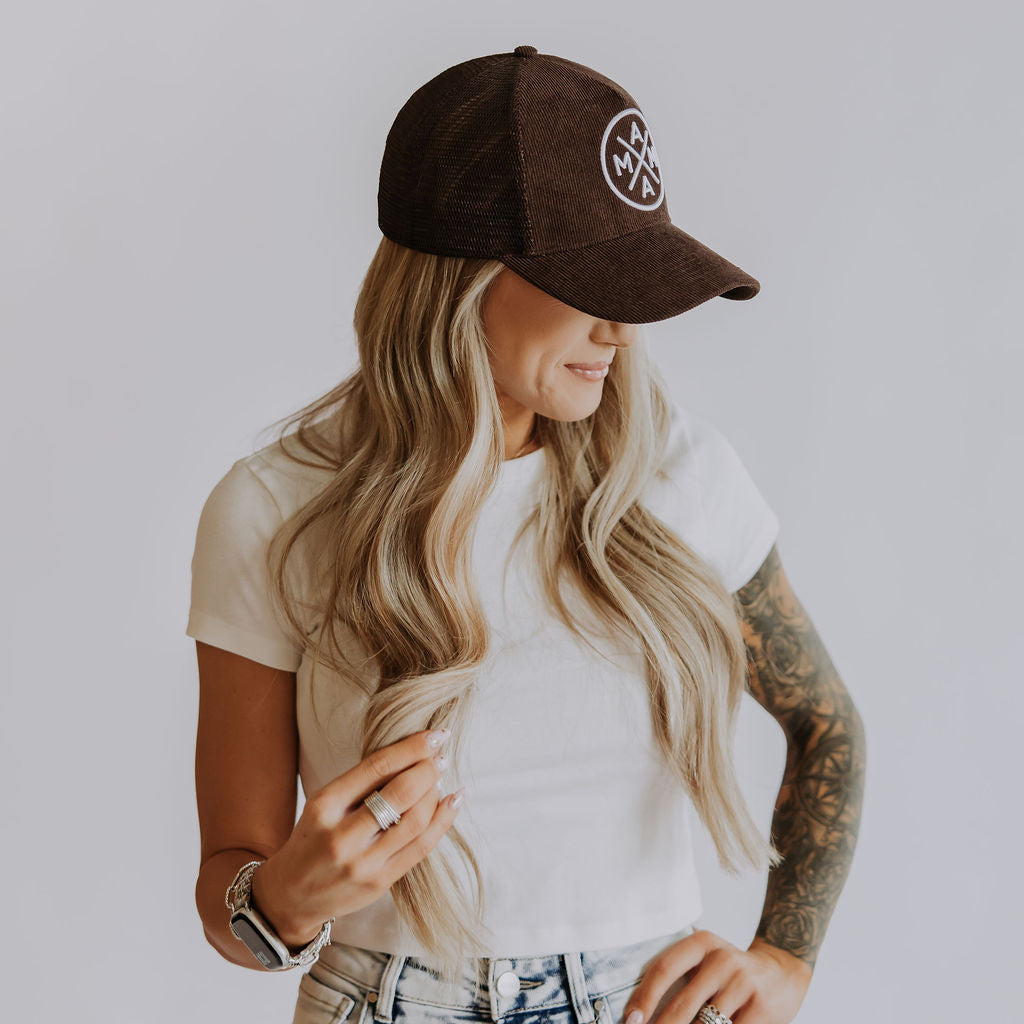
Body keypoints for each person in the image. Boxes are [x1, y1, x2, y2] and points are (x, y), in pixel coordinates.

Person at [186, 45, 866, 1024]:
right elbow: (229, 884)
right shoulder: (274, 507)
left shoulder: (681, 475)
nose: (622, 331)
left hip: (647, 998)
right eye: (594, 282)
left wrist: (784, 957)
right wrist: (286, 897)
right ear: (456, 279)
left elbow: (826, 723)